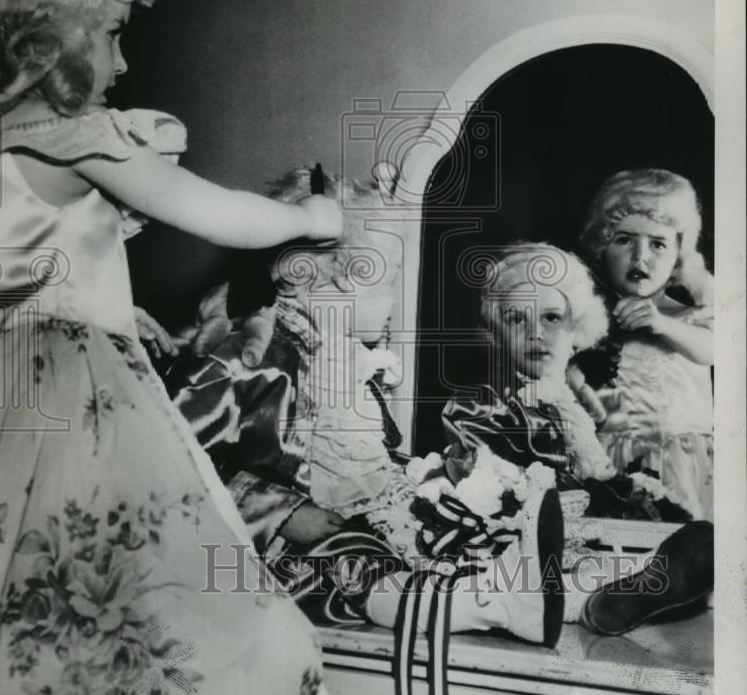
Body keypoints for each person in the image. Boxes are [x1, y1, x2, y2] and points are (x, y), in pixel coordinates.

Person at [0, 0, 344, 695]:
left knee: (31, 601)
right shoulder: (77, 134)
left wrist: (106, 308)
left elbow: (12, 274)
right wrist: (311, 217)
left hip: (2, 395)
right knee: (201, 608)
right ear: (47, 33)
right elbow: (218, 214)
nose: (124, 60)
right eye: (109, 32)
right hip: (77, 398)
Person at [175, 228, 713, 643]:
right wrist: (281, 511)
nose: (390, 303)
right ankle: (522, 602)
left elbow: (364, 461)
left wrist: (423, 473)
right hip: (289, 557)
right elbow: (173, 463)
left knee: (466, 558)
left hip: (359, 530)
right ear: (319, 282)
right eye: (380, 285)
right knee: (406, 583)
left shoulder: (349, 370)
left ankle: (613, 591)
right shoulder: (255, 360)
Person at [577, 169, 714, 520]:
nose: (641, 257)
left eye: (658, 244)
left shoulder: (688, 314)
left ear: (678, 259)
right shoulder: (593, 319)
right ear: (600, 247)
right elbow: (600, 397)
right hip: (616, 457)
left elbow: (715, 351)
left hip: (685, 460)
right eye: (624, 240)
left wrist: (662, 324)